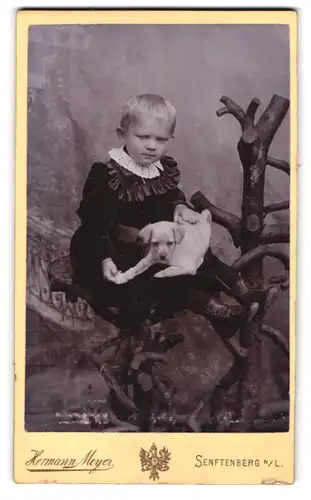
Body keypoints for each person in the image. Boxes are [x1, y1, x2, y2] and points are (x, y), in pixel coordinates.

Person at [70, 94, 267, 336]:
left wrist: (180, 208)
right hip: (111, 248)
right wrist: (105, 258)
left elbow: (171, 196)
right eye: (143, 137)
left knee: (200, 256)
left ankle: (241, 290)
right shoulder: (105, 173)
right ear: (122, 134)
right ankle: (217, 311)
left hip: (154, 243)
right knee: (164, 278)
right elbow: (93, 222)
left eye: (160, 140)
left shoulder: (161, 170)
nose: (152, 146)